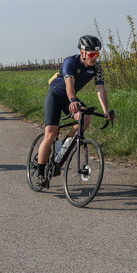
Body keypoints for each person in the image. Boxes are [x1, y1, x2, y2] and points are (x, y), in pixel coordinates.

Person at [34, 35, 113, 187]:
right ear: (82, 53)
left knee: (86, 118)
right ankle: (40, 174)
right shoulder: (70, 62)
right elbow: (69, 83)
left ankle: (64, 146)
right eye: (91, 54)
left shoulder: (97, 67)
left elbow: (100, 88)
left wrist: (106, 111)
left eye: (97, 54)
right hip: (56, 96)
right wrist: (72, 100)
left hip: (72, 99)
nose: (94, 57)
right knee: (50, 133)